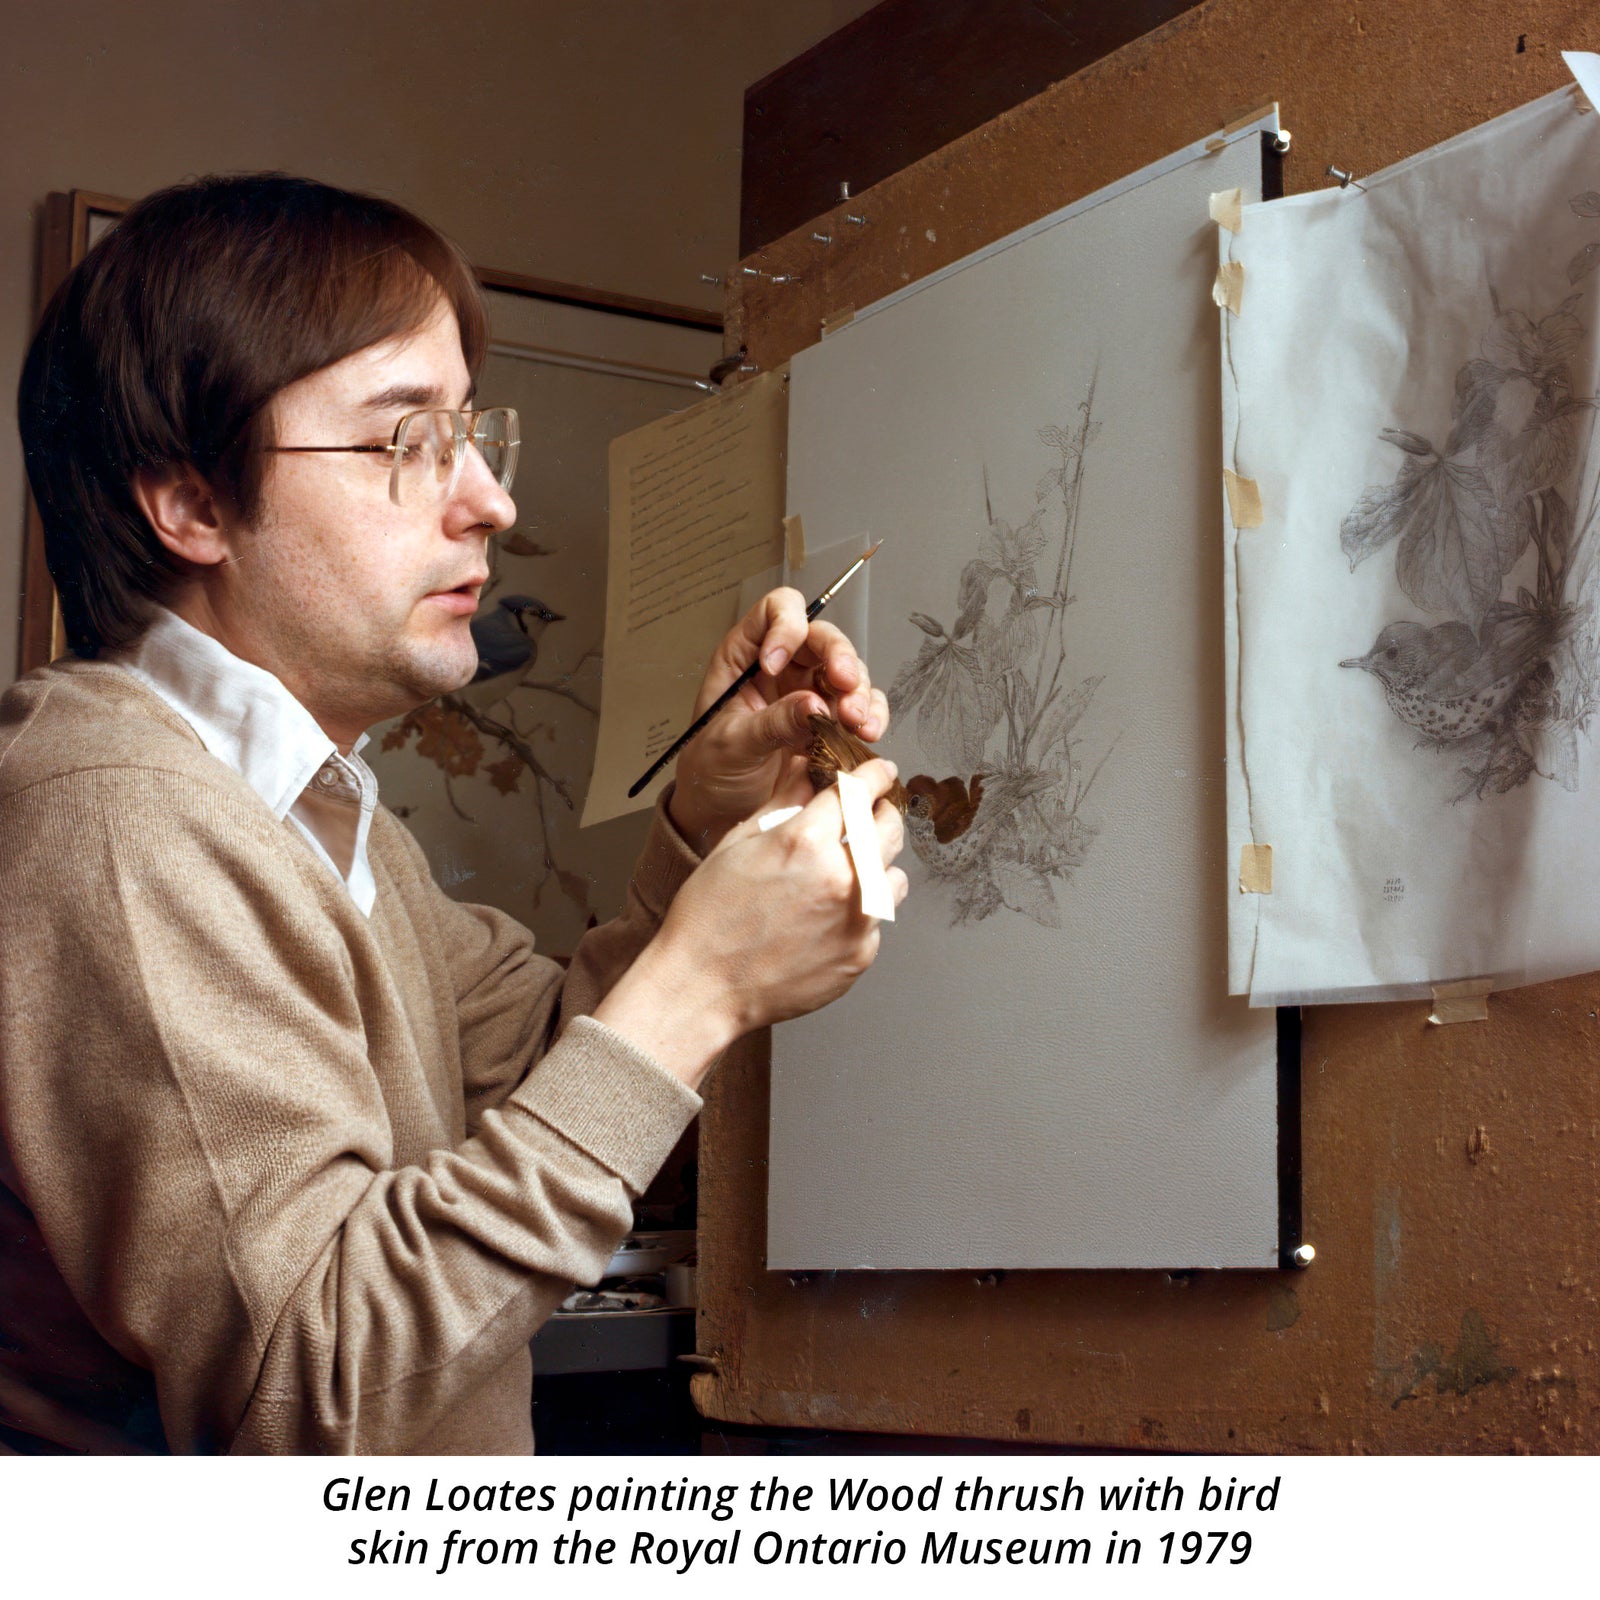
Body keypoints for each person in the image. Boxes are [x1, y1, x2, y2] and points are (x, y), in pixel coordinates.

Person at [0, 174, 906, 1455]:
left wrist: (705, 818)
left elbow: (550, 1069)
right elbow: (306, 1396)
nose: (490, 499)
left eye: (476, 435)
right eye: (407, 440)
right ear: (193, 502)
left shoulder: (315, 816)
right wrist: (702, 984)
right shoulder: (117, 823)